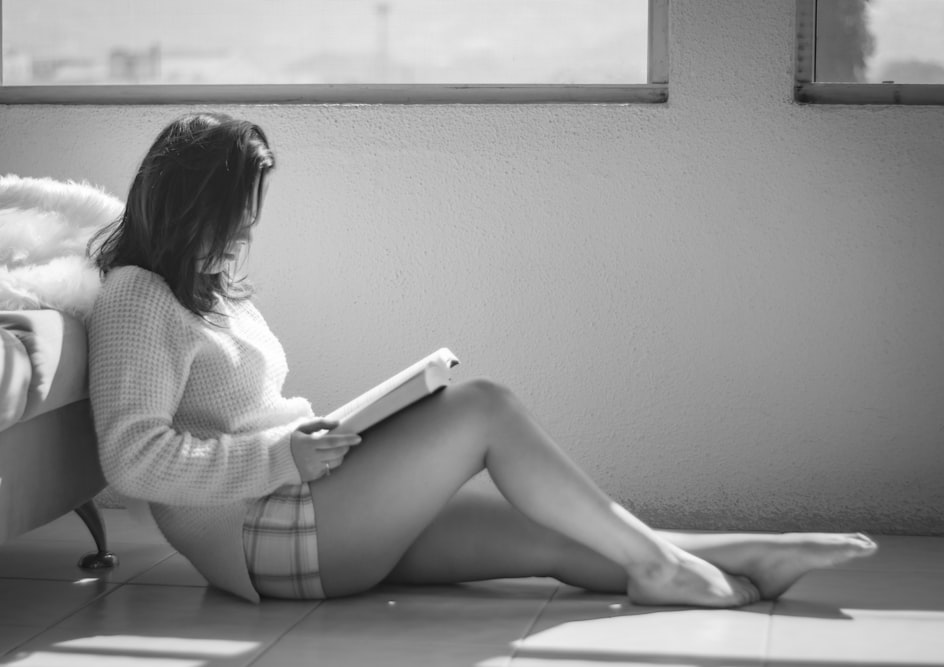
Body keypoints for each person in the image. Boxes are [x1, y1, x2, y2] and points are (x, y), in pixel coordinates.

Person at [86, 112, 877, 606]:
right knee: (485, 405)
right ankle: (668, 566)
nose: (242, 240)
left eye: (248, 225)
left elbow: (242, 417)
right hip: (265, 533)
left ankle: (756, 558)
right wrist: (285, 452)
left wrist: (328, 436)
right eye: (233, 221)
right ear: (187, 205)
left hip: (304, 512)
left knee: (557, 538)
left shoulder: (207, 289)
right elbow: (131, 459)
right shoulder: (138, 295)